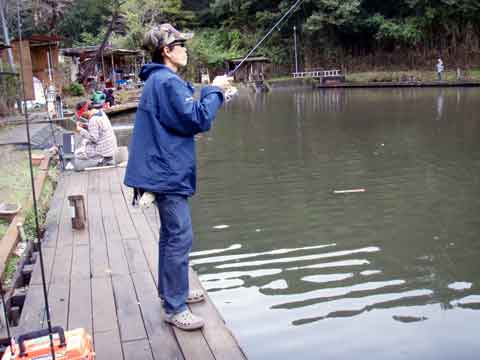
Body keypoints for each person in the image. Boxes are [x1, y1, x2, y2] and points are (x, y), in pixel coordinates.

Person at [123, 23, 232, 331]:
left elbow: (179, 121)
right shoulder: (167, 82)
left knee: (171, 236)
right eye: (181, 45)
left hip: (162, 170)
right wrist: (215, 90)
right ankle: (174, 306)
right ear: (167, 51)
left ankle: (173, 291)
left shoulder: (158, 81)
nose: (186, 49)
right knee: (180, 236)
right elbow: (196, 118)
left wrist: (211, 93)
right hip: (166, 173)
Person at [73, 95, 118, 171]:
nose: (82, 116)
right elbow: (99, 128)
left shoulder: (93, 120)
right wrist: (85, 126)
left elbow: (94, 139)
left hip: (104, 148)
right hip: (111, 145)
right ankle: (107, 158)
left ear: (85, 111)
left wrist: (79, 130)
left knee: (77, 153)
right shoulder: (101, 113)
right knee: (85, 143)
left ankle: (101, 159)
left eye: (82, 114)